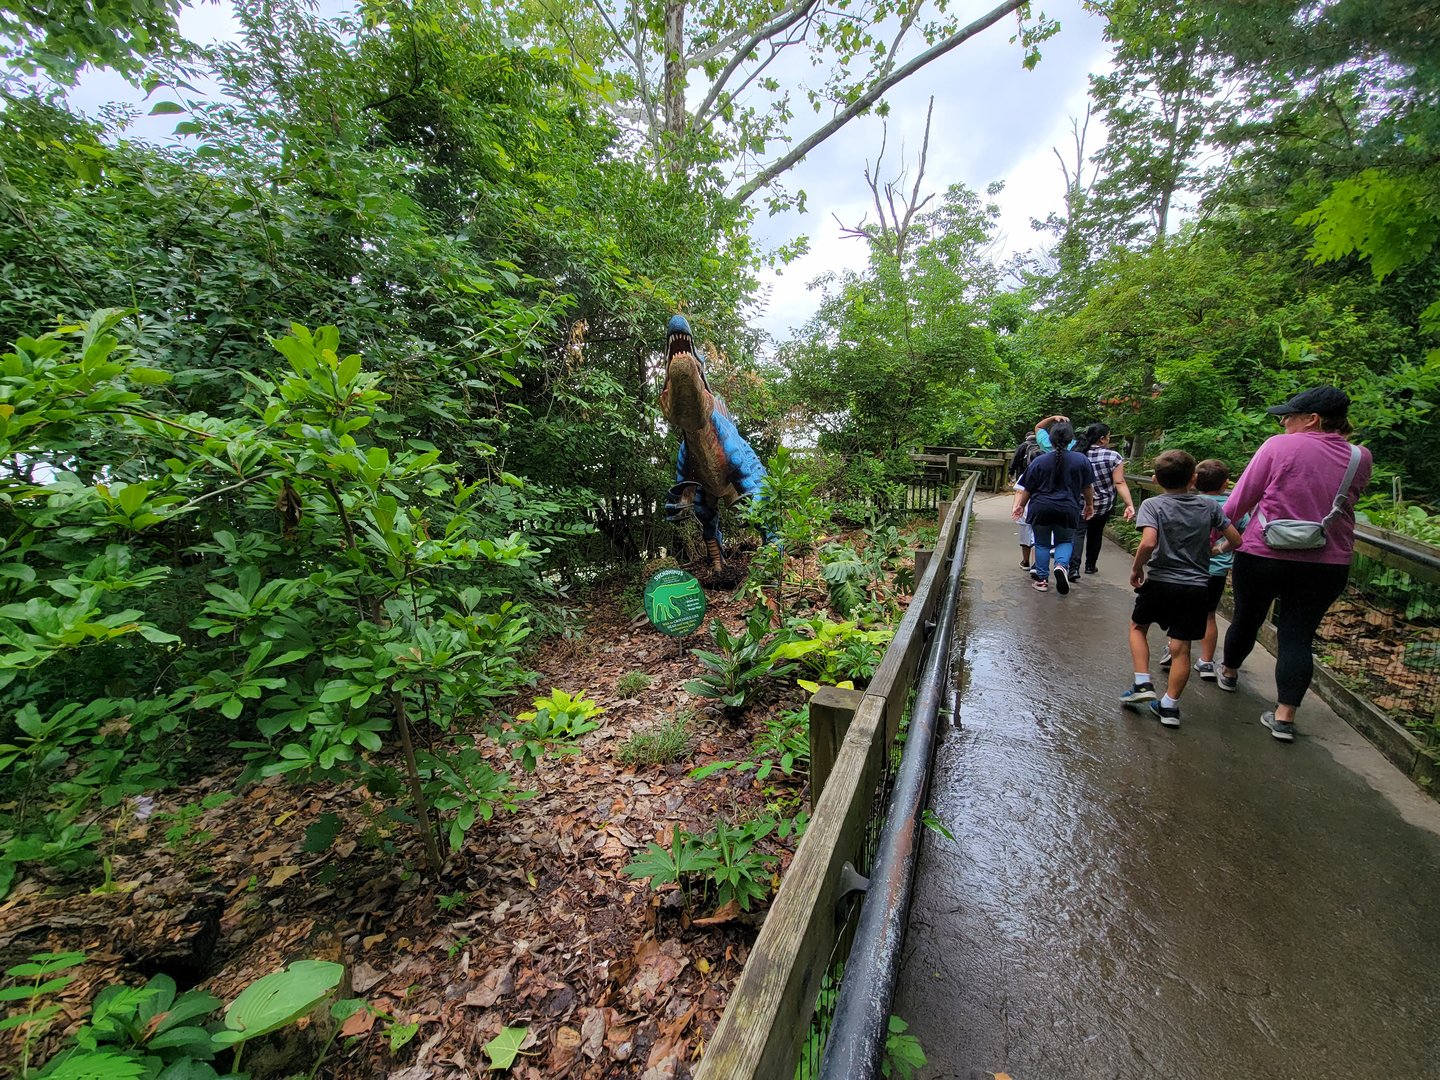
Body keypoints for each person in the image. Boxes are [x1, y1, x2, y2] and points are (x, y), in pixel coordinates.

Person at [1217, 386, 1372, 742]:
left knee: (1247, 616)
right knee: (1298, 634)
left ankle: (1228, 672)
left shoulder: (1277, 445)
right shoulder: (1359, 457)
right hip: (1327, 560)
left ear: (1313, 419)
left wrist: (1213, 534)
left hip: (1262, 553)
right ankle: (1285, 717)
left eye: (1289, 415)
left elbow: (1242, 497)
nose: (1284, 421)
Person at [1120, 450, 1244, 728]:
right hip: (1196, 586)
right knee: (1182, 647)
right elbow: (1235, 539)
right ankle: (1169, 707)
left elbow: (1149, 542)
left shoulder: (1153, 504)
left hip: (1161, 581)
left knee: (1138, 627)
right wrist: (1218, 549)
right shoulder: (1209, 507)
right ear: (1193, 478)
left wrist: (1137, 568)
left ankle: (1142, 683)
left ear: (1156, 479)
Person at [1011, 420, 1095, 594]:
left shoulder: (1039, 461)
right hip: (1068, 507)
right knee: (1064, 540)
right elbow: (1087, 487)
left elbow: (1028, 487)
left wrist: (1020, 506)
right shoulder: (1081, 460)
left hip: (1041, 508)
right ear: (1071, 439)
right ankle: (1061, 566)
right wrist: (1089, 505)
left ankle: (1042, 580)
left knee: (1041, 543)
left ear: (1050, 439)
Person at [1066, 423, 1136, 580]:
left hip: (1080, 501)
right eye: (1108, 436)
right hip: (1103, 503)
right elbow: (1119, 482)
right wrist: (1129, 504)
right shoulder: (1113, 457)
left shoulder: (1077, 454)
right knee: (1096, 534)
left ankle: (1074, 568)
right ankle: (1090, 566)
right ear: (1102, 439)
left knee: (1077, 533)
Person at [1008, 431, 1043, 569]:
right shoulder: (1049, 471)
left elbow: (1020, 491)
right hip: (1042, 508)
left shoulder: (1026, 473)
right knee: (1038, 537)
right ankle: (1037, 564)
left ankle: (1026, 561)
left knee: (1025, 536)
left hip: (1026, 508)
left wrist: (1017, 506)